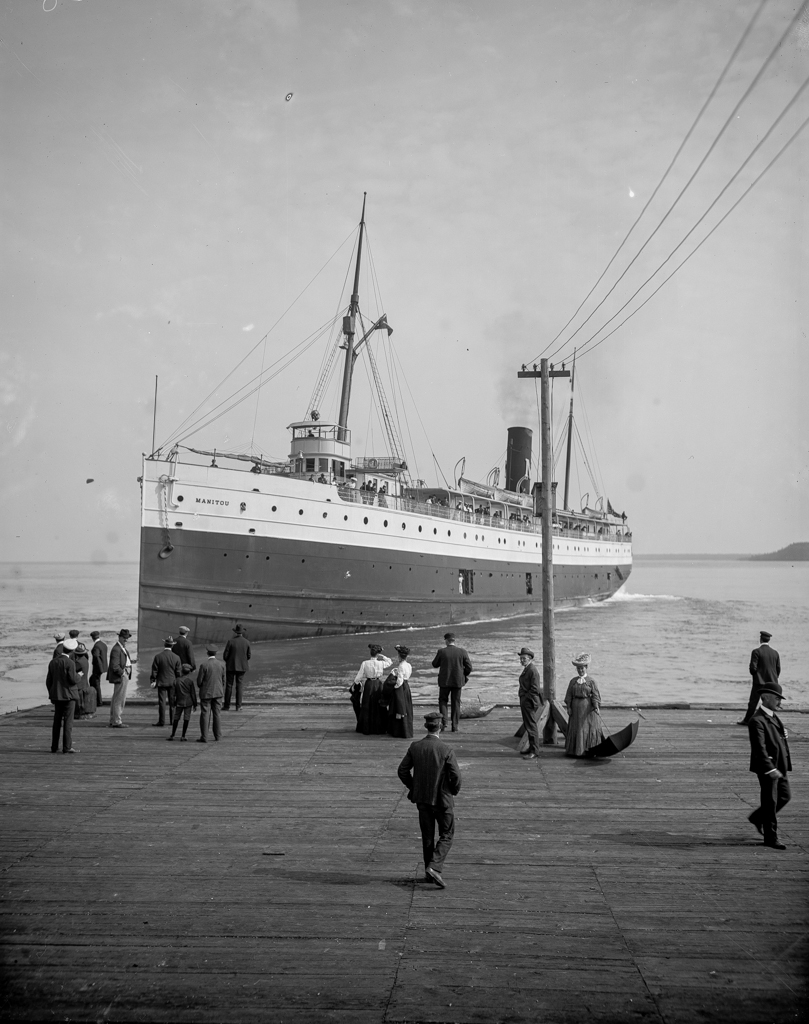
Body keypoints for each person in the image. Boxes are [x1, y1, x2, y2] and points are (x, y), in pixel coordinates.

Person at [397, 711, 462, 888]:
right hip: (443, 800)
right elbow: (456, 776)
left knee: (427, 837)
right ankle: (434, 867)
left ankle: (429, 872)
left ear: (426, 727)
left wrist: (414, 787)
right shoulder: (446, 749)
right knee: (447, 834)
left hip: (423, 800)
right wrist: (452, 791)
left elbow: (402, 771)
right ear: (440, 727)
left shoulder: (415, 747)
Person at [747, 683, 792, 849]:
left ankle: (757, 818)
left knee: (784, 796)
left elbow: (773, 735)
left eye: (780, 698)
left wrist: (782, 733)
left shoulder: (772, 716)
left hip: (781, 765)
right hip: (769, 767)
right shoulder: (756, 720)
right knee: (770, 802)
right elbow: (759, 748)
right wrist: (770, 768)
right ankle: (771, 838)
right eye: (777, 698)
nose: (779, 701)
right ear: (765, 697)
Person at [563, 653, 608, 757]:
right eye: (578, 668)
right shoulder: (573, 681)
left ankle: (588, 750)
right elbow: (568, 695)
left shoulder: (591, 681)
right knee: (577, 728)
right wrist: (569, 707)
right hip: (575, 709)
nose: (580, 670)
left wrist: (596, 706)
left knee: (587, 728)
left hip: (587, 709)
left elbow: (596, 695)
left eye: (582, 668)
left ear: (586, 668)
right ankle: (574, 751)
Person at [431, 632, 472, 733]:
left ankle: (444, 724)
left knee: (443, 701)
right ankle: (455, 726)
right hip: (458, 681)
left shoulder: (441, 651)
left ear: (446, 641)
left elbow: (434, 664)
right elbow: (469, 667)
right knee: (456, 703)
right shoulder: (462, 652)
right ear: (454, 640)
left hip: (444, 681)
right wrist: (463, 674)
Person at [739, 630, 781, 726]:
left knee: (753, 702)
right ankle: (770, 721)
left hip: (759, 682)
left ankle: (747, 720)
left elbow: (753, 668)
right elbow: (778, 669)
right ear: (768, 640)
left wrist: (755, 673)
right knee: (770, 703)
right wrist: (774, 678)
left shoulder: (756, 652)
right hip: (772, 683)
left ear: (760, 639)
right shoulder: (775, 653)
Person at [46, 638, 80, 753]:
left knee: (56, 722)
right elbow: (72, 680)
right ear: (72, 651)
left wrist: (52, 693)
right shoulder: (70, 663)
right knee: (68, 722)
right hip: (69, 696)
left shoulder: (53, 662)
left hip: (57, 696)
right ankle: (67, 747)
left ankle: (54, 746)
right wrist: (79, 675)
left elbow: (48, 681)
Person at [356, 644, 392, 735]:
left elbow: (359, 677)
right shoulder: (381, 663)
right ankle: (379, 727)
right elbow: (390, 662)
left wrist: (356, 683)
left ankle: (367, 727)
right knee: (378, 704)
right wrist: (382, 656)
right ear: (377, 654)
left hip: (369, 684)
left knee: (367, 704)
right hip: (378, 684)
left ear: (370, 653)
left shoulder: (365, 663)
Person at [517, 646, 544, 759]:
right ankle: (531, 747)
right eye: (521, 658)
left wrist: (525, 697)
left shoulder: (532, 670)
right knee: (528, 725)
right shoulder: (527, 669)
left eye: (524, 658)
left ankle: (534, 751)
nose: (522, 660)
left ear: (530, 658)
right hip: (526, 701)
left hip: (530, 702)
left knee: (532, 726)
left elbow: (535, 689)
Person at [150, 636, 182, 726]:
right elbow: (178, 673)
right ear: (172, 646)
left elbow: (154, 671)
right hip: (172, 683)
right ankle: (172, 721)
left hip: (161, 682)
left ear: (164, 644)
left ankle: (161, 721)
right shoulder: (177, 657)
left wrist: (153, 680)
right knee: (173, 703)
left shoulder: (158, 656)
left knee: (162, 702)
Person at [197, 644, 225, 742]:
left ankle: (204, 737)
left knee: (205, 714)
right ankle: (218, 736)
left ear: (207, 653)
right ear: (216, 653)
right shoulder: (222, 664)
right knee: (217, 714)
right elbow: (223, 680)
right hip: (218, 692)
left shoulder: (204, 665)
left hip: (206, 693)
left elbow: (199, 682)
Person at [385, 644, 414, 738]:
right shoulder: (408, 665)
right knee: (406, 707)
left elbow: (399, 681)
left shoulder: (401, 666)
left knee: (398, 707)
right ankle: (406, 730)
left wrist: (394, 687)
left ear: (399, 655)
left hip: (401, 688)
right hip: (407, 687)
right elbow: (406, 677)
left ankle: (398, 731)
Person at [107, 629, 133, 729]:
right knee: (120, 699)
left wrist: (131, 662)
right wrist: (123, 673)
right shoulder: (116, 649)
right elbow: (114, 666)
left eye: (127, 638)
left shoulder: (121, 648)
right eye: (125, 638)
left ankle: (113, 719)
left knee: (116, 698)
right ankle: (117, 721)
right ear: (120, 637)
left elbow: (122, 661)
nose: (126, 640)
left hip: (123, 674)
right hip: (121, 676)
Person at [222, 624, 251, 711]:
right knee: (239, 686)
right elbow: (249, 656)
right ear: (242, 632)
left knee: (229, 685)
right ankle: (238, 706)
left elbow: (225, 656)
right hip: (242, 667)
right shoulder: (247, 642)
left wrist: (229, 661)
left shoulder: (230, 641)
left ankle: (226, 706)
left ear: (235, 632)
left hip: (231, 666)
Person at [168, 663, 197, 741]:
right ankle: (183, 735)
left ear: (181, 671)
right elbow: (193, 693)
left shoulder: (176, 680)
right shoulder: (190, 681)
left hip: (179, 701)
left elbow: (172, 694)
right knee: (186, 718)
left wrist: (172, 703)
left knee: (176, 717)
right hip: (188, 702)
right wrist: (195, 704)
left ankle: (173, 734)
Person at [74, 642, 94, 719]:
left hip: (79, 685)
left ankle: (79, 714)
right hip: (85, 683)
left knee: (79, 702)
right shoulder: (85, 660)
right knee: (83, 701)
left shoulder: (77, 663)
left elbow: (75, 674)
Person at [89, 630, 107, 709]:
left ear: (92, 638)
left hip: (97, 668)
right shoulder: (103, 644)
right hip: (103, 667)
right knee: (92, 681)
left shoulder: (96, 646)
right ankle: (96, 699)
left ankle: (99, 701)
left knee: (96, 684)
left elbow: (96, 656)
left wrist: (99, 668)